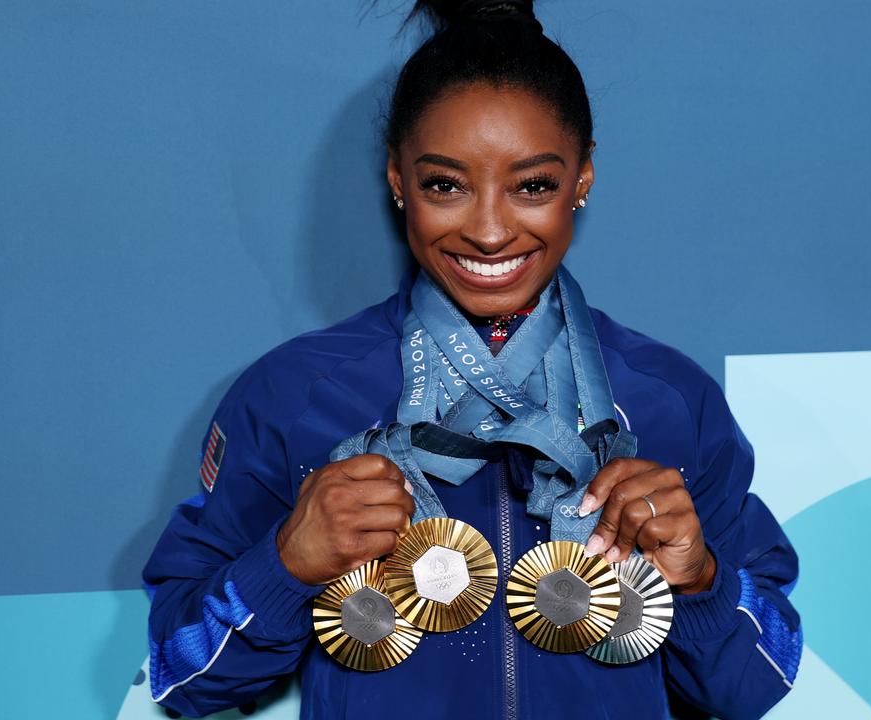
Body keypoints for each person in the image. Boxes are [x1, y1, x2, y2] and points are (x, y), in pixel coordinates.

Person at [142, 2, 802, 718]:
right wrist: (285, 564)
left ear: (582, 179)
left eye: (533, 185)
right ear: (398, 180)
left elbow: (758, 682)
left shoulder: (670, 398)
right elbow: (179, 674)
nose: (489, 231)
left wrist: (700, 579)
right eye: (445, 185)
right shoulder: (297, 394)